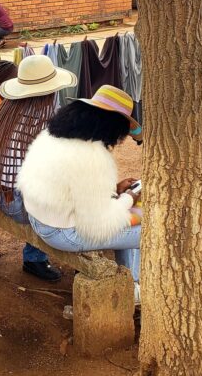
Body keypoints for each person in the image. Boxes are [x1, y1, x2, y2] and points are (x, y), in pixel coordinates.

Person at [18, 85, 144, 303]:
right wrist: (129, 198)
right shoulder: (92, 156)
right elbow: (102, 220)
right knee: (143, 230)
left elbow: (74, 189)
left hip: (39, 218)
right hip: (61, 233)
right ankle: (131, 290)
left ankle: (130, 283)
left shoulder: (53, 136)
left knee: (127, 215)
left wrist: (114, 189)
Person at [0, 54, 77, 282]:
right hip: (18, 204)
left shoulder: (4, 110)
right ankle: (70, 256)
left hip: (0, 194)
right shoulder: (46, 121)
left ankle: (37, 257)